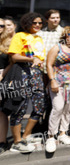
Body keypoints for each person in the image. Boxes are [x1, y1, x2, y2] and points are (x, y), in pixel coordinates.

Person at [7, 12, 46, 153]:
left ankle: (25, 136)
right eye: (34, 22)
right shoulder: (19, 36)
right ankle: (17, 142)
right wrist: (31, 59)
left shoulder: (39, 38)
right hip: (22, 72)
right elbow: (15, 56)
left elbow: (40, 58)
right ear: (27, 23)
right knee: (19, 107)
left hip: (36, 74)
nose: (37, 25)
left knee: (39, 106)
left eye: (40, 23)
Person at [45, 26, 70, 153]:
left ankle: (63, 133)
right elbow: (49, 64)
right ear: (65, 36)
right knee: (58, 107)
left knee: (67, 109)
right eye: (69, 34)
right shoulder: (57, 47)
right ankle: (51, 136)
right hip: (58, 83)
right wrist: (52, 80)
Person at [0, 16, 16, 154]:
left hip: (2, 78)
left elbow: (12, 63)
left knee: (1, 112)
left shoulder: (9, 42)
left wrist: (2, 74)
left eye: (1, 26)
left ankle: (2, 142)